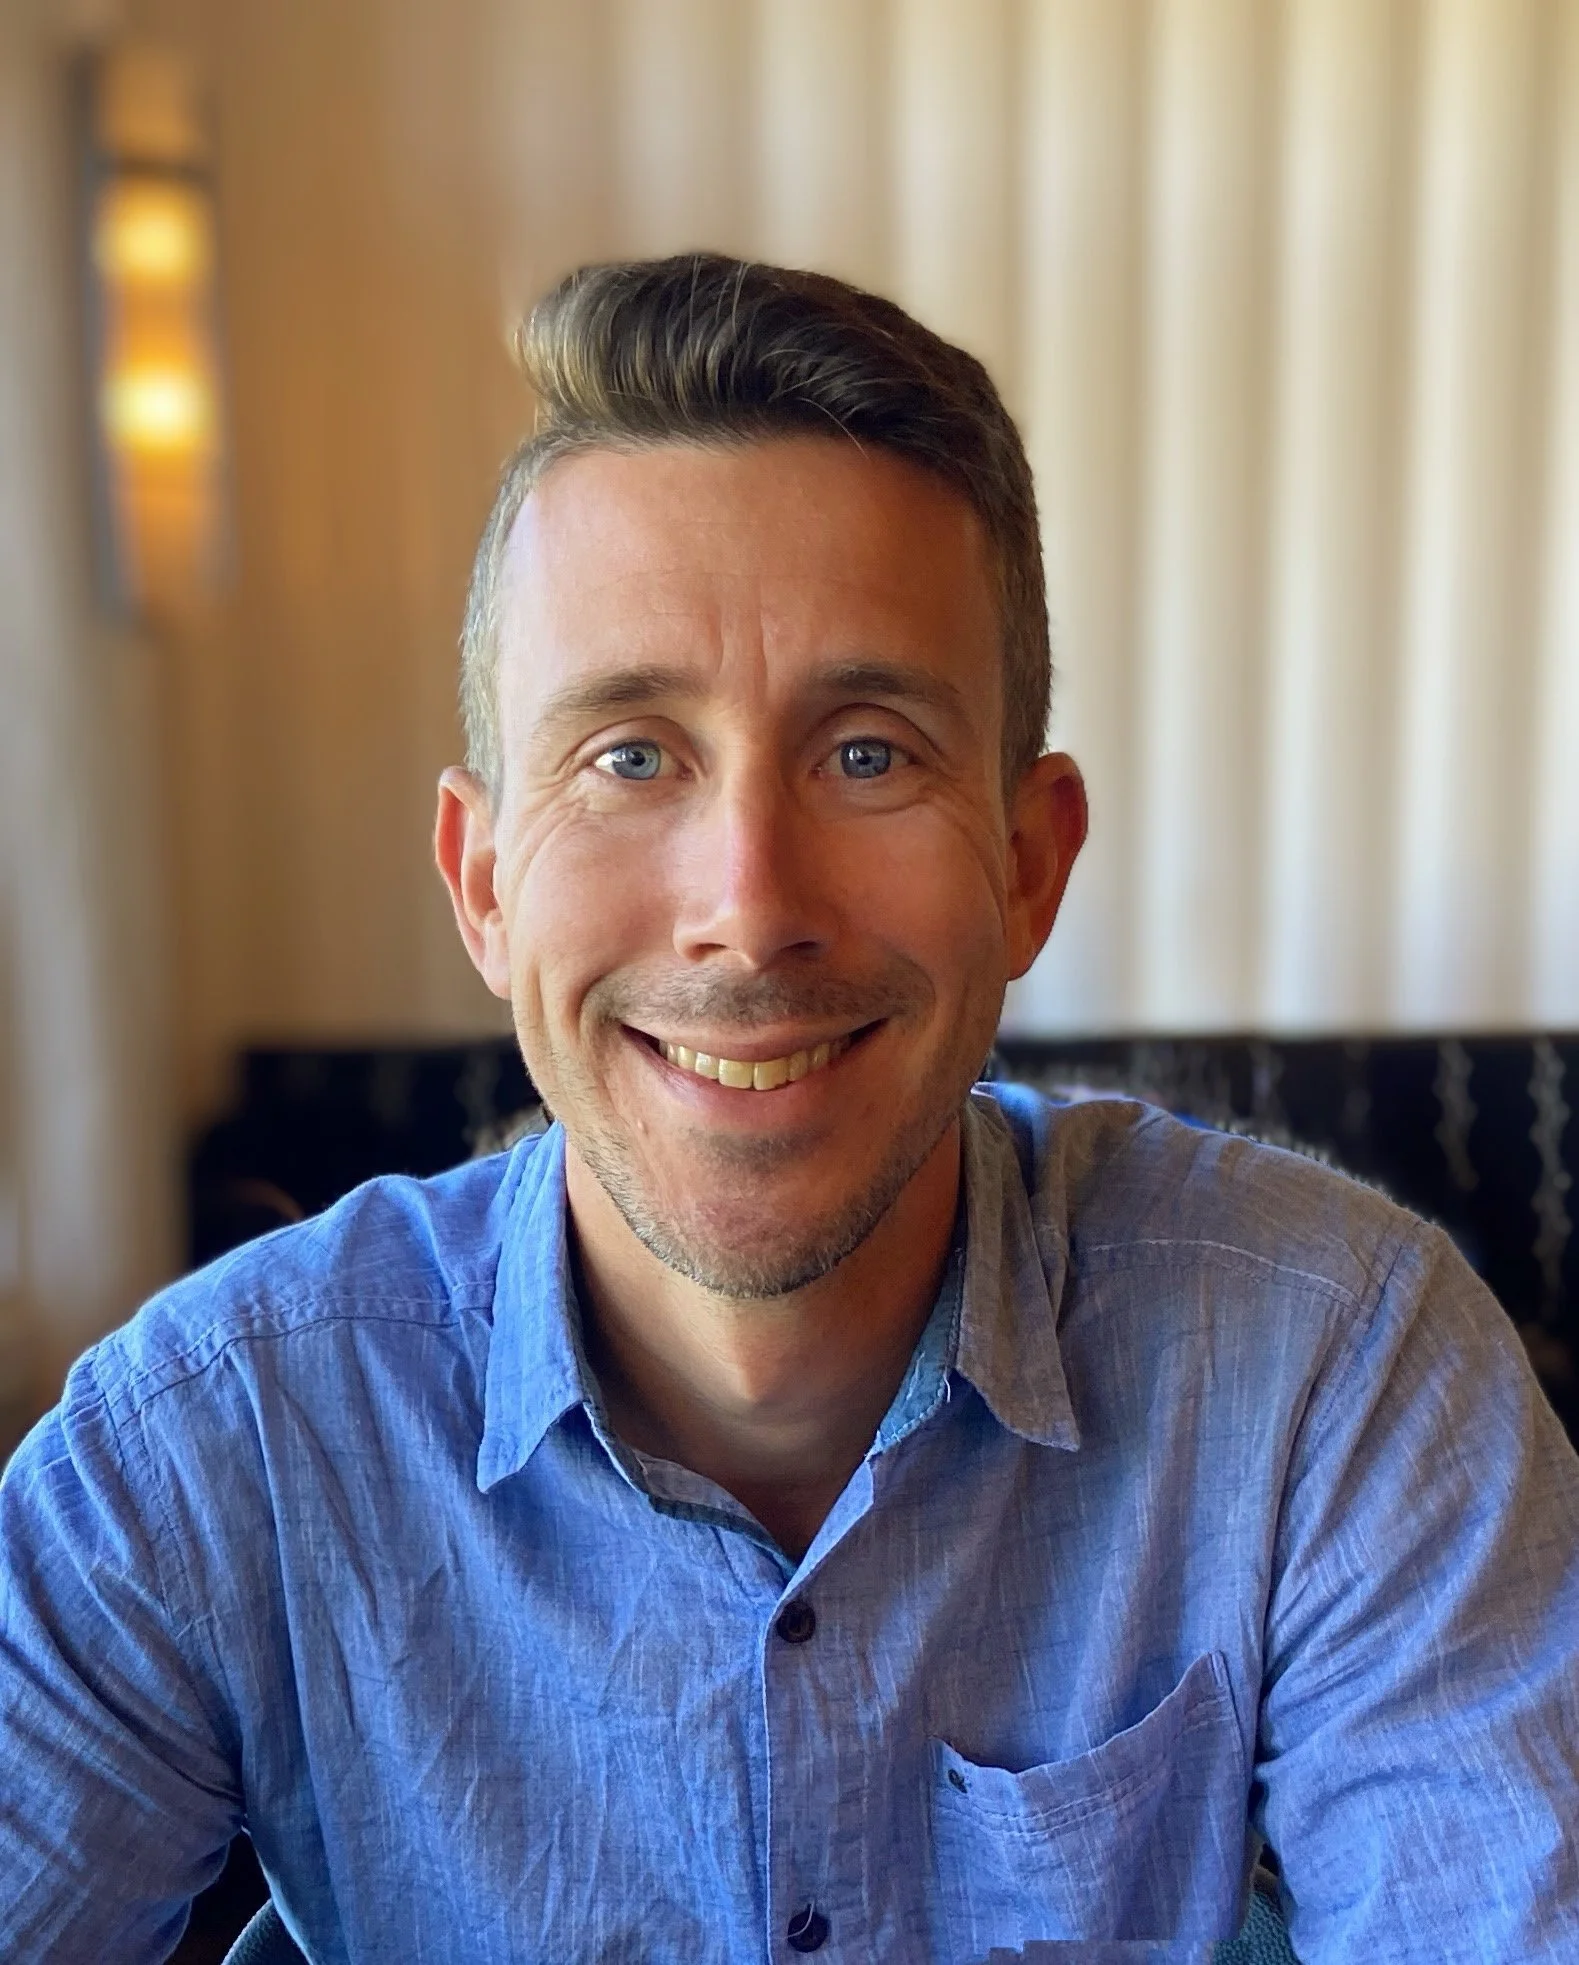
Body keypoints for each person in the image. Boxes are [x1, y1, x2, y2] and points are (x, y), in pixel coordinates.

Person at [2, 254, 1576, 1965]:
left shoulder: (1335, 1372)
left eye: (867, 752)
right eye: (627, 756)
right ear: (483, 883)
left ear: (1029, 866)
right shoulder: (205, 1445)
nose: (746, 909)